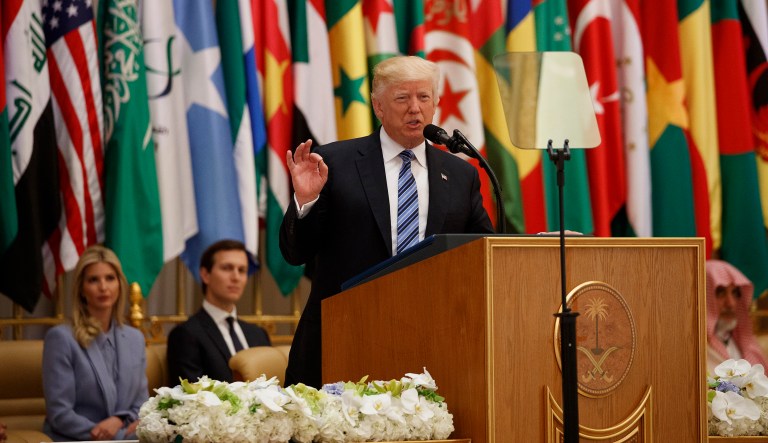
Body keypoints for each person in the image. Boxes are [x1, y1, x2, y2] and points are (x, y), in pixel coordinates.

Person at [280, 55, 494, 387]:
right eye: (402, 98)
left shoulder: (460, 173)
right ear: (379, 107)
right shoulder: (335, 162)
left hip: (432, 345)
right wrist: (306, 202)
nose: (414, 108)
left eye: (423, 97)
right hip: (344, 339)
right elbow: (296, 253)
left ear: (435, 104)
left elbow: (482, 255)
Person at [42, 245, 147, 441]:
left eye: (110, 278)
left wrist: (119, 419)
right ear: (81, 289)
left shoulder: (135, 339)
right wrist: (120, 435)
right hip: (76, 439)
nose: (103, 287)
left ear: (120, 285)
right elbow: (60, 414)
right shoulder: (61, 338)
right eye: (93, 280)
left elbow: (141, 405)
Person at [167, 239, 271, 383]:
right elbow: (191, 397)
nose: (236, 277)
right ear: (205, 275)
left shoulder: (258, 334)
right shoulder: (185, 335)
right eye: (227, 268)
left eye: (242, 270)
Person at [706, 259, 768, 372]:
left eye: (735, 293)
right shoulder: (696, 350)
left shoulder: (741, 343)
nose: (731, 303)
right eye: (720, 293)